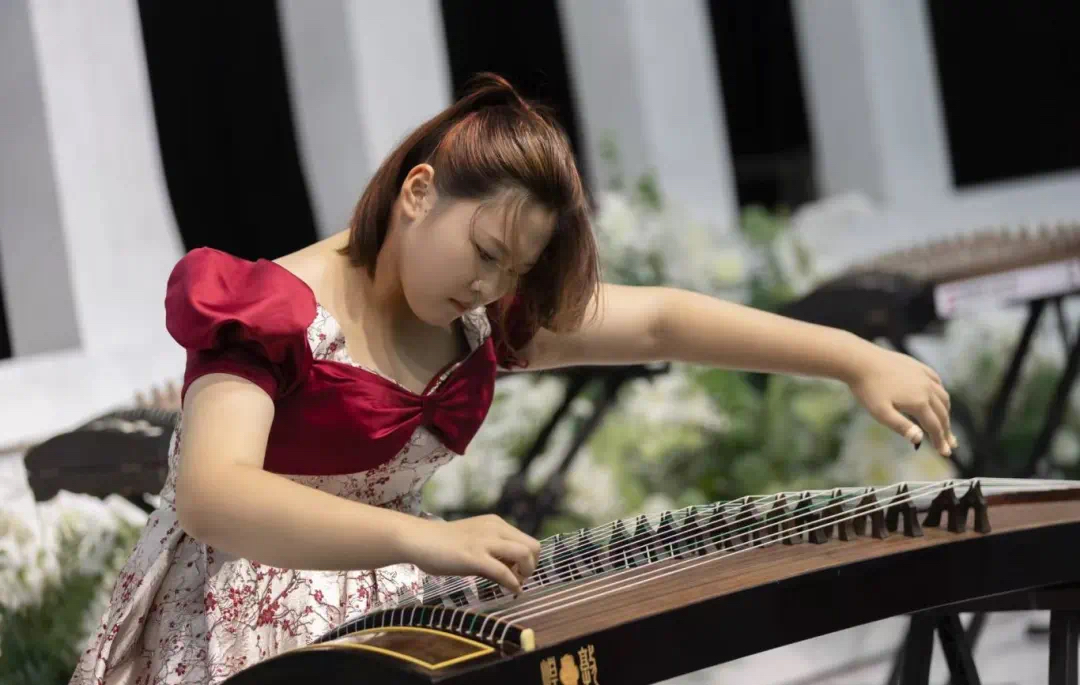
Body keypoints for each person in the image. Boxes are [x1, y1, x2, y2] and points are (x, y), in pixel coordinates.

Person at [70, 73, 956, 685]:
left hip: (395, 612)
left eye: (512, 270)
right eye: (485, 250)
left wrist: (854, 356)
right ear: (418, 192)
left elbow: (658, 321)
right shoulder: (269, 306)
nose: (491, 285)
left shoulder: (476, 315)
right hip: (241, 628)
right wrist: (423, 539)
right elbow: (214, 494)